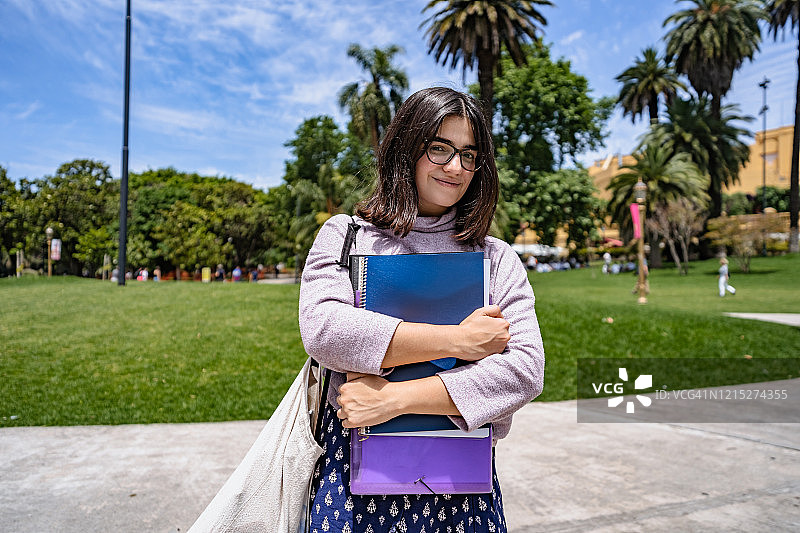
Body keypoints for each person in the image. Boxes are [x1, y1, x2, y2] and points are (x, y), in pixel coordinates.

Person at [299, 87, 544, 533]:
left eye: (469, 155)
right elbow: (325, 330)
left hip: (462, 483)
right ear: (407, 148)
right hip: (355, 479)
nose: (456, 167)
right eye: (440, 148)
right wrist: (458, 341)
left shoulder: (496, 257)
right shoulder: (347, 236)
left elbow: (525, 370)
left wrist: (394, 400)